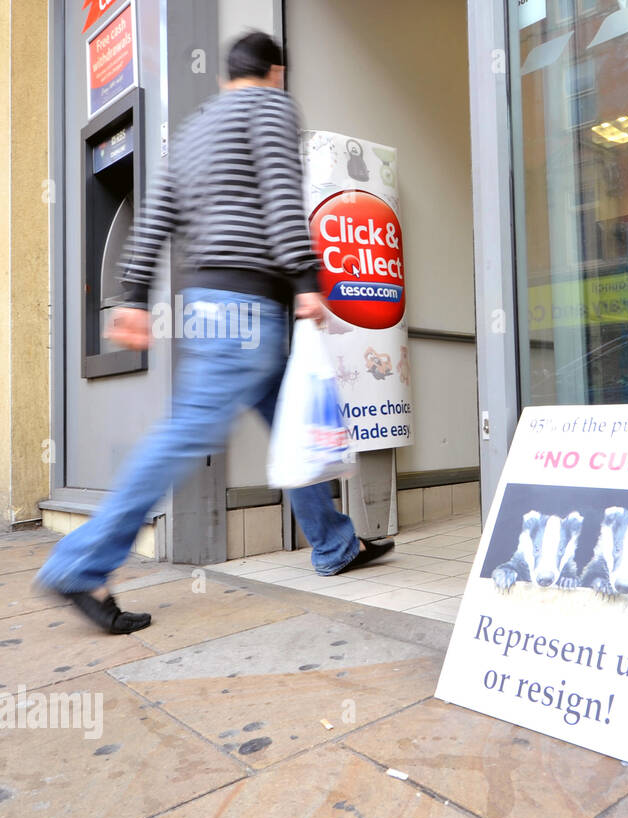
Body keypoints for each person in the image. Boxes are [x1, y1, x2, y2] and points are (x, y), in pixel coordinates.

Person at [36, 31, 393, 635]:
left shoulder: (195, 127)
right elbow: (282, 198)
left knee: (291, 418)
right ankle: (80, 563)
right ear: (274, 73)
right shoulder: (272, 107)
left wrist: (131, 295)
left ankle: (334, 545)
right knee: (182, 436)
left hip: (209, 306)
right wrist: (308, 280)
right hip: (248, 309)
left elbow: (156, 213)